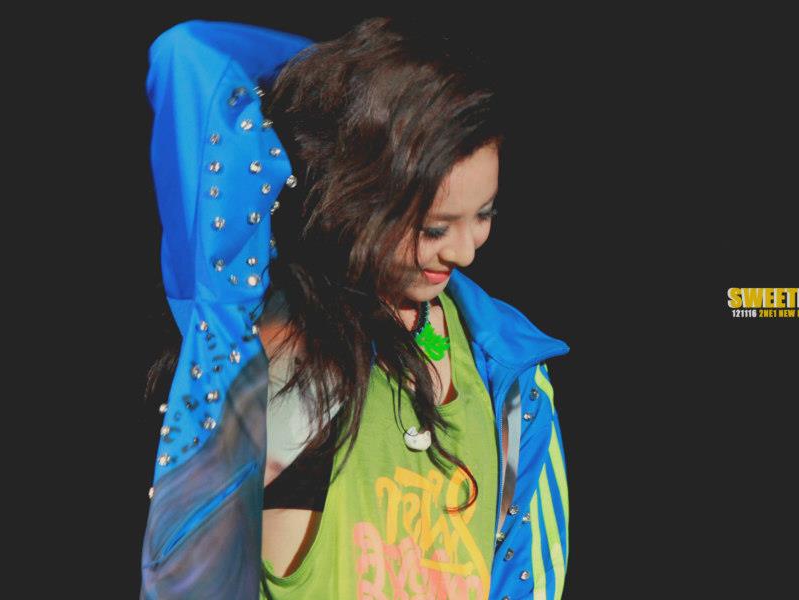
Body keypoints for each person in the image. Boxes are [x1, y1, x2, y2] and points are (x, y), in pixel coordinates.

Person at [140, 17, 571, 599]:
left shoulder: (512, 376)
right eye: (435, 227)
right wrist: (356, 93)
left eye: (484, 215)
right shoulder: (273, 333)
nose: (465, 251)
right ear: (367, 193)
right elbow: (187, 54)